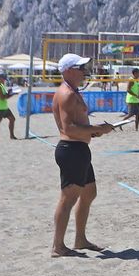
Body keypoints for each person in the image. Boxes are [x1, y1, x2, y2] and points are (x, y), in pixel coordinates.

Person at [50, 53, 115, 257]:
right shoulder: (67, 94)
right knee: (68, 198)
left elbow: (77, 126)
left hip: (79, 149)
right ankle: (58, 246)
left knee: (89, 193)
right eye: (80, 68)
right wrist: (97, 128)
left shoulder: (73, 91)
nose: (84, 71)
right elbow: (69, 128)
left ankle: (80, 239)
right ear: (68, 70)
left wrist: (93, 131)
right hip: (71, 151)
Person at [0, 71, 18, 141]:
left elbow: (5, 94)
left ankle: (12, 136)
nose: (4, 80)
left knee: (12, 119)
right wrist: (12, 94)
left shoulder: (1, 85)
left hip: (4, 107)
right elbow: (3, 97)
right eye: (4, 79)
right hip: (0, 107)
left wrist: (10, 91)